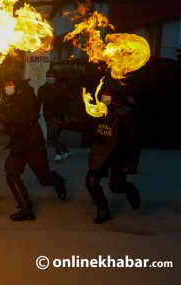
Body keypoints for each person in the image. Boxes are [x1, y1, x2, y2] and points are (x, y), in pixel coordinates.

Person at [56, 87, 141, 224]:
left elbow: (133, 140)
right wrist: (65, 125)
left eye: (107, 98)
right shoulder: (98, 112)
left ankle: (131, 191)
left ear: (115, 100)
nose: (103, 100)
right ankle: (103, 211)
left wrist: (131, 162)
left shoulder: (124, 114)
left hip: (119, 154)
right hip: (101, 152)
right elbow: (85, 126)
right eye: (102, 97)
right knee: (91, 181)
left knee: (116, 186)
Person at [0, 77, 67, 221]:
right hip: (17, 146)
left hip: (33, 145)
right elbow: (2, 111)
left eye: (10, 83)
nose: (8, 87)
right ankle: (26, 209)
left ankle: (58, 182)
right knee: (12, 175)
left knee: (44, 179)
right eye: (5, 84)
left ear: (17, 84)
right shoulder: (9, 98)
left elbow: (27, 117)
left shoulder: (27, 96)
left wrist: (2, 116)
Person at [37, 70, 70, 162]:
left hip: (58, 116)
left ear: (56, 78)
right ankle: (66, 150)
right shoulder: (42, 89)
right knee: (54, 135)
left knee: (52, 133)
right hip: (47, 115)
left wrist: (68, 115)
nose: (50, 78)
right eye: (48, 76)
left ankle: (58, 153)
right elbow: (39, 102)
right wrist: (36, 113)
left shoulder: (61, 89)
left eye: (52, 76)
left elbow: (66, 103)